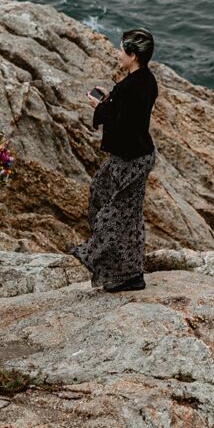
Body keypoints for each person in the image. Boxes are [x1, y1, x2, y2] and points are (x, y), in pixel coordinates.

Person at [72, 28, 159, 292]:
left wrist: (99, 108)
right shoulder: (144, 80)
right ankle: (121, 271)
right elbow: (129, 115)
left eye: (121, 50)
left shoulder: (132, 86)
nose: (117, 53)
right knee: (102, 196)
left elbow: (124, 125)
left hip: (131, 160)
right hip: (130, 156)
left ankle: (127, 274)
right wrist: (110, 101)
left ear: (133, 55)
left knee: (118, 216)